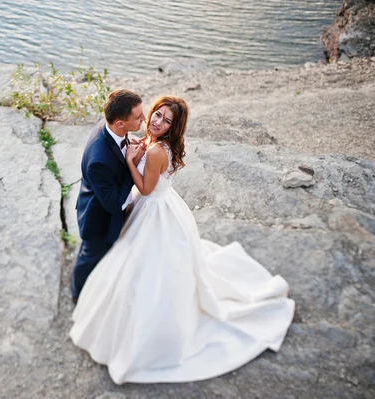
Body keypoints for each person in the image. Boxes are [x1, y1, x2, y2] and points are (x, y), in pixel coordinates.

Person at [70, 95, 295, 384]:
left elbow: (146, 189)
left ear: (174, 127)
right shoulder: (151, 142)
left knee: (150, 268)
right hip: (157, 208)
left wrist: (130, 162)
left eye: (166, 120)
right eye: (156, 114)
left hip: (154, 210)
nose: (154, 121)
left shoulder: (155, 152)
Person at [71, 89, 146, 304]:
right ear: (120, 123)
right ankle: (78, 293)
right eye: (138, 117)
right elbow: (113, 204)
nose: (144, 118)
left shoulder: (112, 128)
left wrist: (131, 148)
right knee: (89, 257)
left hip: (105, 203)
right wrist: (131, 165)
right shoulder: (98, 160)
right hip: (99, 219)